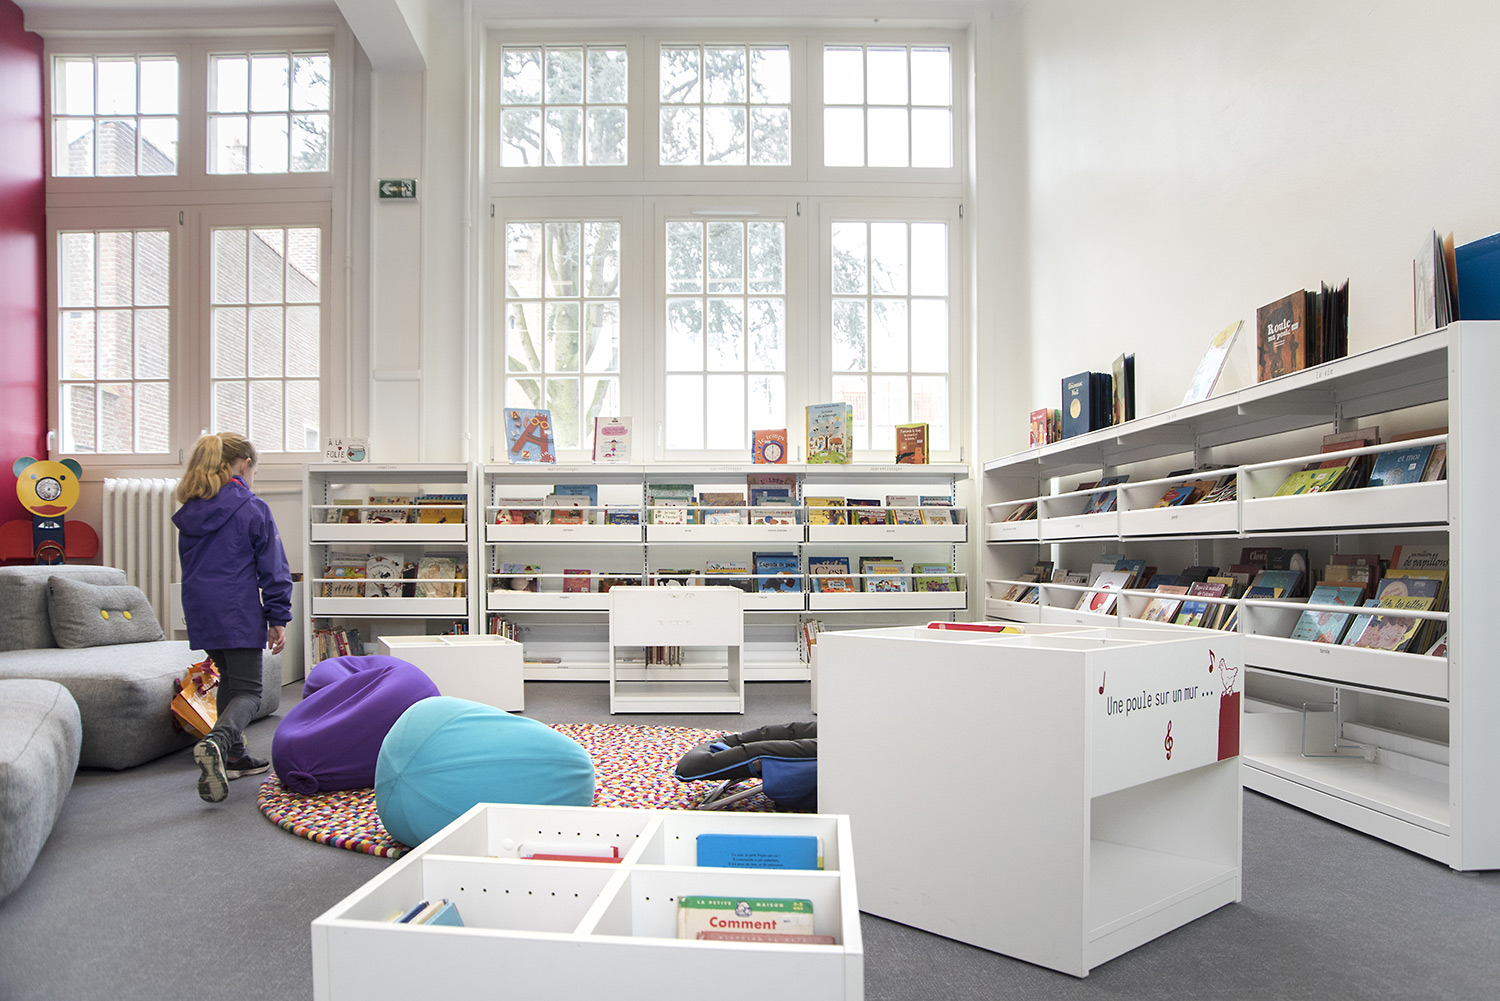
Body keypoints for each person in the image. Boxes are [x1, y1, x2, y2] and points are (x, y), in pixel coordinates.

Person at [173, 433, 292, 803]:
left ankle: (235, 757)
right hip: (235, 607)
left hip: (199, 607)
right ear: (244, 465)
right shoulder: (251, 507)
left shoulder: (192, 509)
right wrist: (277, 616)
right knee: (250, 691)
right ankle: (217, 742)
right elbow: (273, 567)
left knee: (230, 679)